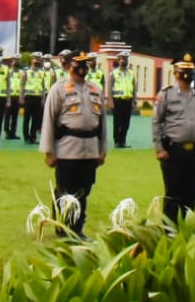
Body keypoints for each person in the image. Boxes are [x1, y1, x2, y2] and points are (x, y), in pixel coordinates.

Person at [40, 51, 106, 234]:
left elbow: (103, 124)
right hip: (67, 149)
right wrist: (49, 151)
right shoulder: (59, 89)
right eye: (78, 64)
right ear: (69, 66)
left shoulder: (95, 90)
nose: (83, 68)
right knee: (65, 192)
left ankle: (77, 229)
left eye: (85, 64)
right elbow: (49, 120)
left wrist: (102, 150)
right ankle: (62, 229)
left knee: (83, 192)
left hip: (89, 149)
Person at [151, 53, 195, 218]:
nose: (187, 74)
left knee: (191, 193)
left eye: (190, 70)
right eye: (183, 69)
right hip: (173, 151)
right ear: (175, 72)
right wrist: (159, 148)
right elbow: (156, 122)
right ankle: (169, 232)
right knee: (173, 194)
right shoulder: (166, 94)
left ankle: (187, 228)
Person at [110, 53, 138, 147]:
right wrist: (110, 101)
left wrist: (134, 99)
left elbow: (134, 87)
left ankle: (123, 141)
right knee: (117, 122)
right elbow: (110, 88)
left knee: (126, 123)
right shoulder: (114, 73)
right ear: (118, 60)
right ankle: (117, 141)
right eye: (122, 59)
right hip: (117, 100)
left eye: (125, 59)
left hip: (128, 100)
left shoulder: (131, 73)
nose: (124, 61)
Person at [22, 54, 48, 144]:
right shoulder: (26, 71)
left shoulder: (42, 72)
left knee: (36, 119)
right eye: (36, 59)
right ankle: (26, 137)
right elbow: (22, 85)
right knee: (27, 118)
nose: (37, 61)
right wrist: (21, 97)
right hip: (29, 97)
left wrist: (43, 98)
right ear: (32, 60)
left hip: (38, 97)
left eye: (39, 59)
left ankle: (33, 137)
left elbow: (43, 86)